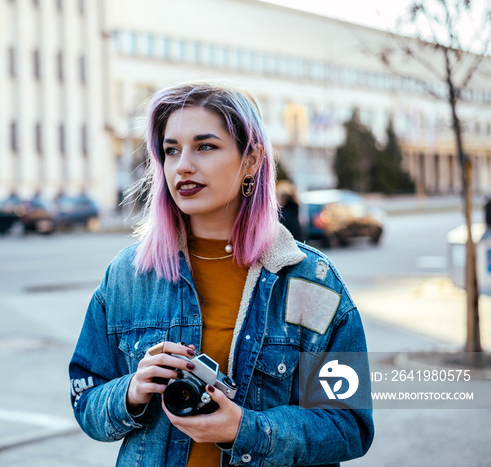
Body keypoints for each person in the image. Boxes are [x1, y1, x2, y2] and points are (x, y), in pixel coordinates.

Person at [69, 81, 373, 467]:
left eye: (205, 146)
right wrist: (129, 391)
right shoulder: (128, 276)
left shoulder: (310, 281)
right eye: (171, 150)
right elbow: (86, 399)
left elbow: (350, 426)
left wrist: (244, 429)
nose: (183, 166)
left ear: (251, 159)